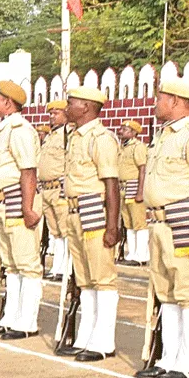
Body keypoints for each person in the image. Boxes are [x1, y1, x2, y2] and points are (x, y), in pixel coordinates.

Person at [133, 79, 189, 378]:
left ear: (178, 101)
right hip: (159, 222)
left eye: (161, 98)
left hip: (183, 220)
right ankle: (170, 358)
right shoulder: (164, 135)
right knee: (166, 293)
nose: (156, 102)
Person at [56, 86, 121, 361]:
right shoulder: (75, 137)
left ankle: (103, 341)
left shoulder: (101, 138)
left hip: (93, 209)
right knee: (84, 279)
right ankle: (86, 336)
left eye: (71, 103)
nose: (66, 108)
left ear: (86, 107)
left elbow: (111, 184)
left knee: (102, 278)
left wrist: (112, 225)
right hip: (74, 211)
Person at [0, 80, 43, 340]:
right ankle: (10, 317)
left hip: (17, 200)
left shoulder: (20, 129)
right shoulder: (2, 130)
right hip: (1, 202)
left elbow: (28, 171)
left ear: (7, 102)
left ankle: (27, 321)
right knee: (11, 264)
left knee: (26, 263)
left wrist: (27, 208)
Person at [38, 100, 71, 281]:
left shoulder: (68, 135)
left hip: (59, 188)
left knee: (65, 231)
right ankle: (57, 267)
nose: (52, 116)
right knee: (56, 232)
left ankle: (66, 269)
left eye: (56, 113)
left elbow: (69, 162)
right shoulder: (51, 136)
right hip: (46, 188)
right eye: (51, 113)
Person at [118, 120, 149, 265]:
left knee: (139, 223)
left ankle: (141, 255)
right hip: (122, 187)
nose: (121, 131)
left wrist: (140, 191)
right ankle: (132, 253)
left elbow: (143, 169)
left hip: (133, 185)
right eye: (121, 128)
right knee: (128, 223)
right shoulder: (121, 147)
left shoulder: (138, 147)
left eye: (125, 129)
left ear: (134, 133)